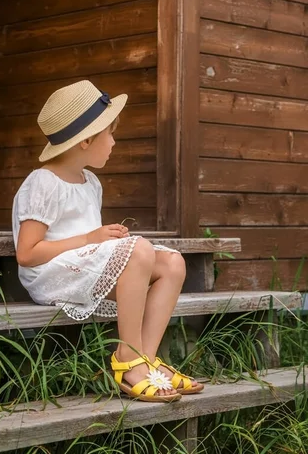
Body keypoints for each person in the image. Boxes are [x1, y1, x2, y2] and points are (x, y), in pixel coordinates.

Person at [12, 80, 204, 402]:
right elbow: (27, 254)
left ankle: (146, 358)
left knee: (173, 262)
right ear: (86, 140)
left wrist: (103, 242)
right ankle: (127, 359)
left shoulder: (91, 183)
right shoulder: (43, 183)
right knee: (139, 249)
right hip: (51, 273)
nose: (114, 142)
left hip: (84, 266)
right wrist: (90, 238)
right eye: (110, 134)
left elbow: (100, 250)